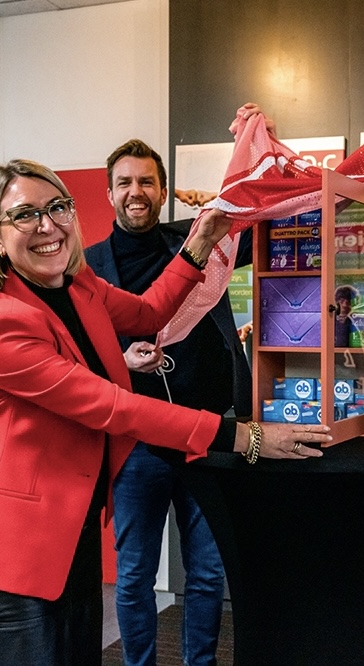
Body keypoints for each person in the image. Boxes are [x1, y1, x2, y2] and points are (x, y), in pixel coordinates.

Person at [0, 158, 330, 666]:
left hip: (75, 530)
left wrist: (204, 238)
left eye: (57, 207)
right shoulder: (7, 320)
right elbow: (114, 406)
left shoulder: (78, 286)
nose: (47, 225)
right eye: (25, 214)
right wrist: (246, 437)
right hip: (24, 550)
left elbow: (150, 313)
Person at [85, 138, 251, 666]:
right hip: (136, 447)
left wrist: (258, 145)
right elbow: (77, 355)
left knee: (206, 574)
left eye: (147, 182)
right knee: (134, 575)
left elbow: (260, 219)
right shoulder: (87, 269)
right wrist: (119, 356)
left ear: (162, 191)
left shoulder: (196, 241)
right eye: (125, 183)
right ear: (110, 192)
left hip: (208, 435)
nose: (136, 192)